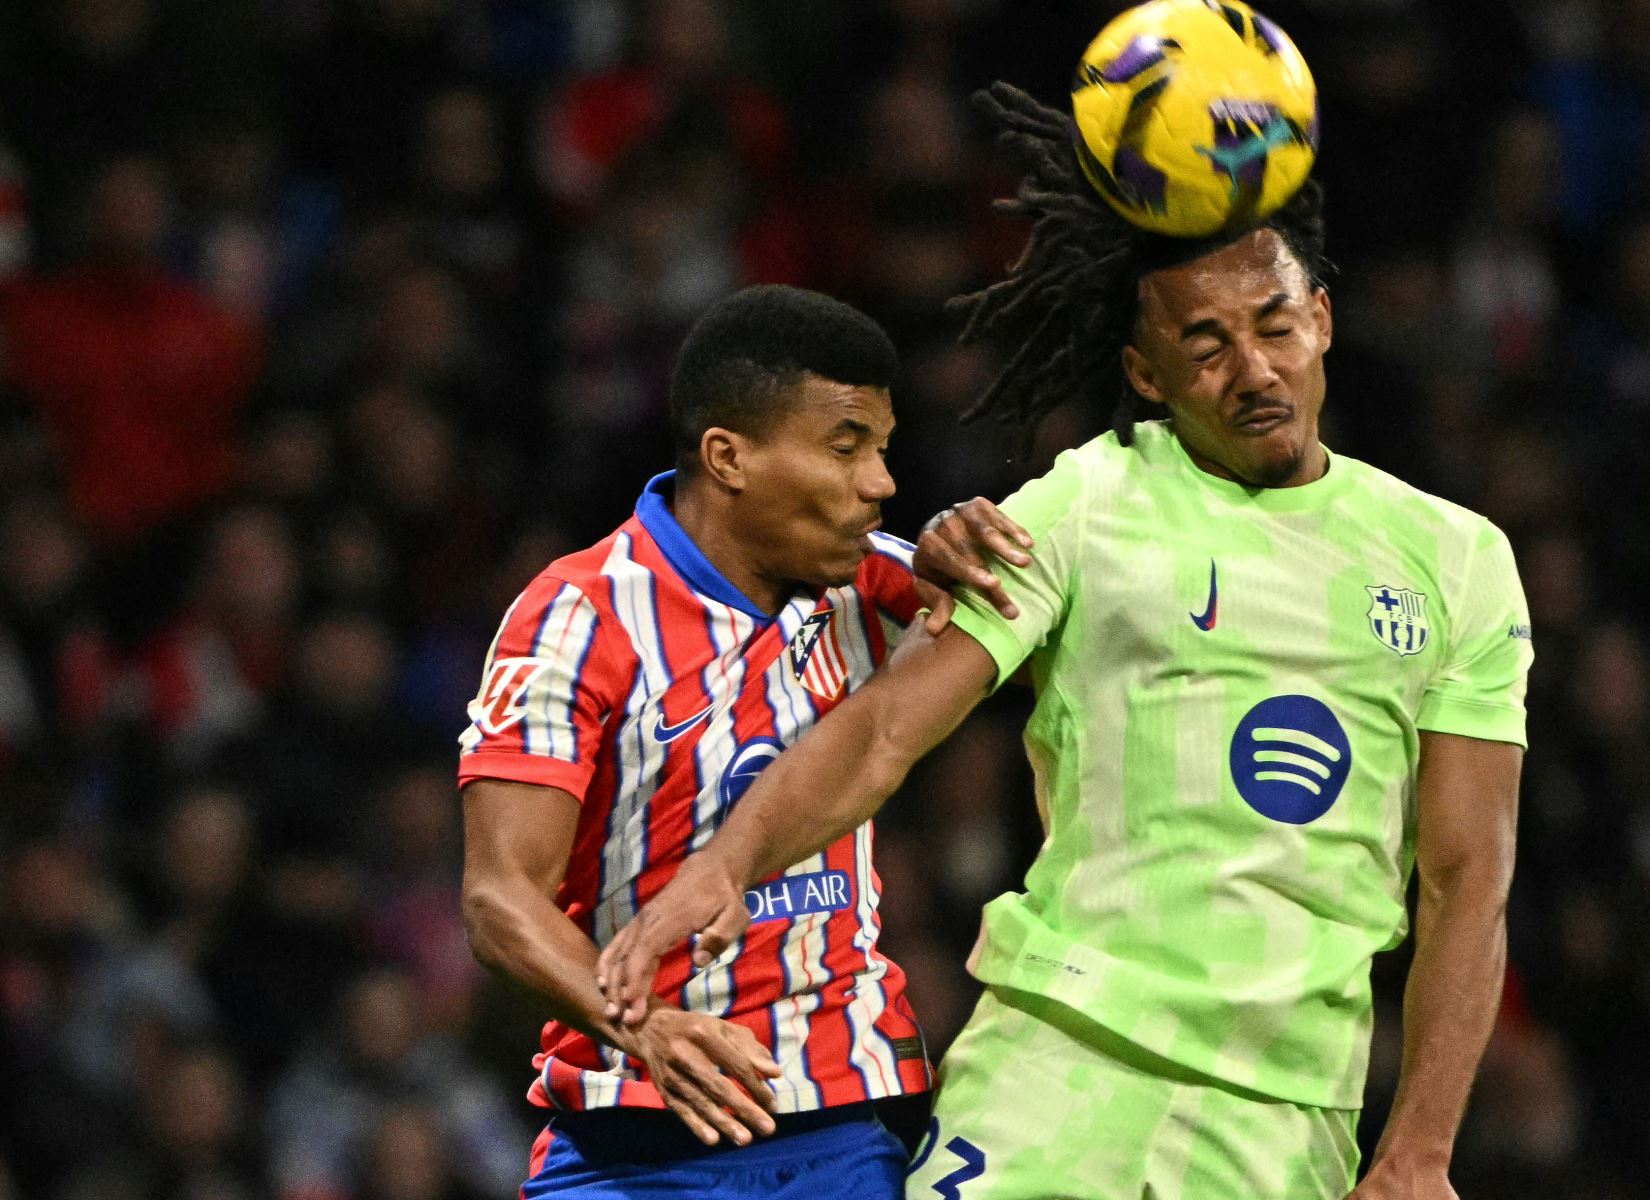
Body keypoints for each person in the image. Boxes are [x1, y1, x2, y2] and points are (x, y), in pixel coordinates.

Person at [596, 84, 1533, 1200]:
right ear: (1146, 376)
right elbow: (891, 727)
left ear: (1321, 317)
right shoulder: (1086, 502)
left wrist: (1419, 1152)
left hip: (1285, 1109)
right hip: (1060, 1057)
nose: (1255, 369)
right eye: (1207, 343)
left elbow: (1467, 882)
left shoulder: (1458, 559)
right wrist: (727, 862)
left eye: (1275, 326)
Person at [460, 285, 968, 1198]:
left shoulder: (877, 587)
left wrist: (973, 534)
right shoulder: (578, 617)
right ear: (728, 457)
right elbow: (500, 899)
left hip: (839, 1123)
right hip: (629, 1137)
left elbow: (1033, 608)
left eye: (883, 450)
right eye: (845, 447)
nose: (880, 484)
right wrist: (643, 1027)